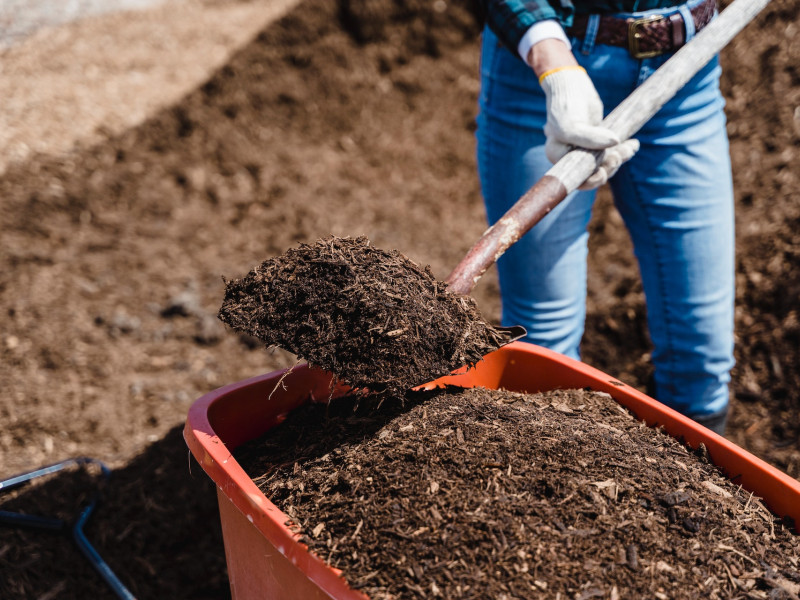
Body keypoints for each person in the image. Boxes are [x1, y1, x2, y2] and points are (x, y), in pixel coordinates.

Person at [476, 0, 733, 435]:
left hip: (686, 69)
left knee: (702, 357)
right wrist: (553, 63)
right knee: (545, 349)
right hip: (546, 72)